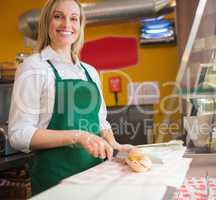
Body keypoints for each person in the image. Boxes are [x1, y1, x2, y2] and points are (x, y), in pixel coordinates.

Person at [8, 0, 133, 195]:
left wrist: (115, 145)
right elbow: (18, 134)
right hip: (55, 179)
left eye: (73, 18)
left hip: (96, 174)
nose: (67, 24)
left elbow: (100, 122)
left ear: (80, 26)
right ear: (46, 22)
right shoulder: (33, 67)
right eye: (58, 17)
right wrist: (78, 136)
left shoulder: (90, 71)